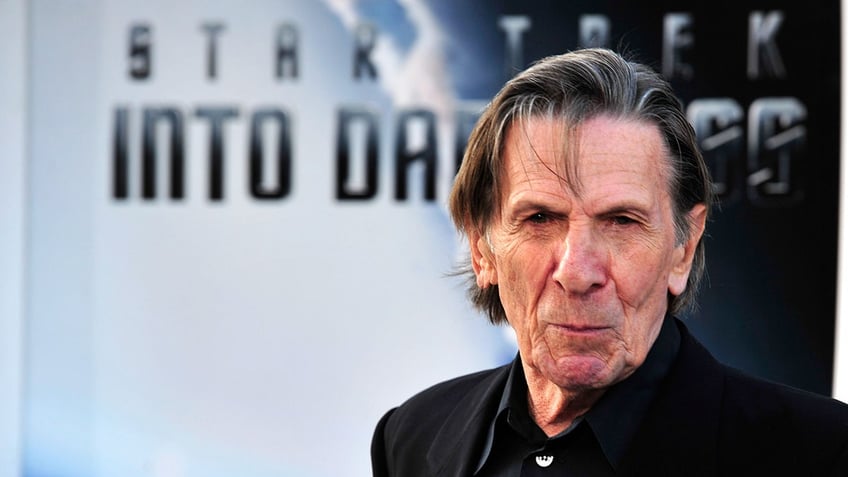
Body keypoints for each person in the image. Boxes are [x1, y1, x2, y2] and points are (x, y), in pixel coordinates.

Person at [370, 48, 848, 476]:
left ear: (683, 247)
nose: (577, 272)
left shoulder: (819, 452)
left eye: (621, 221)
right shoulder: (412, 438)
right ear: (481, 249)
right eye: (540, 218)